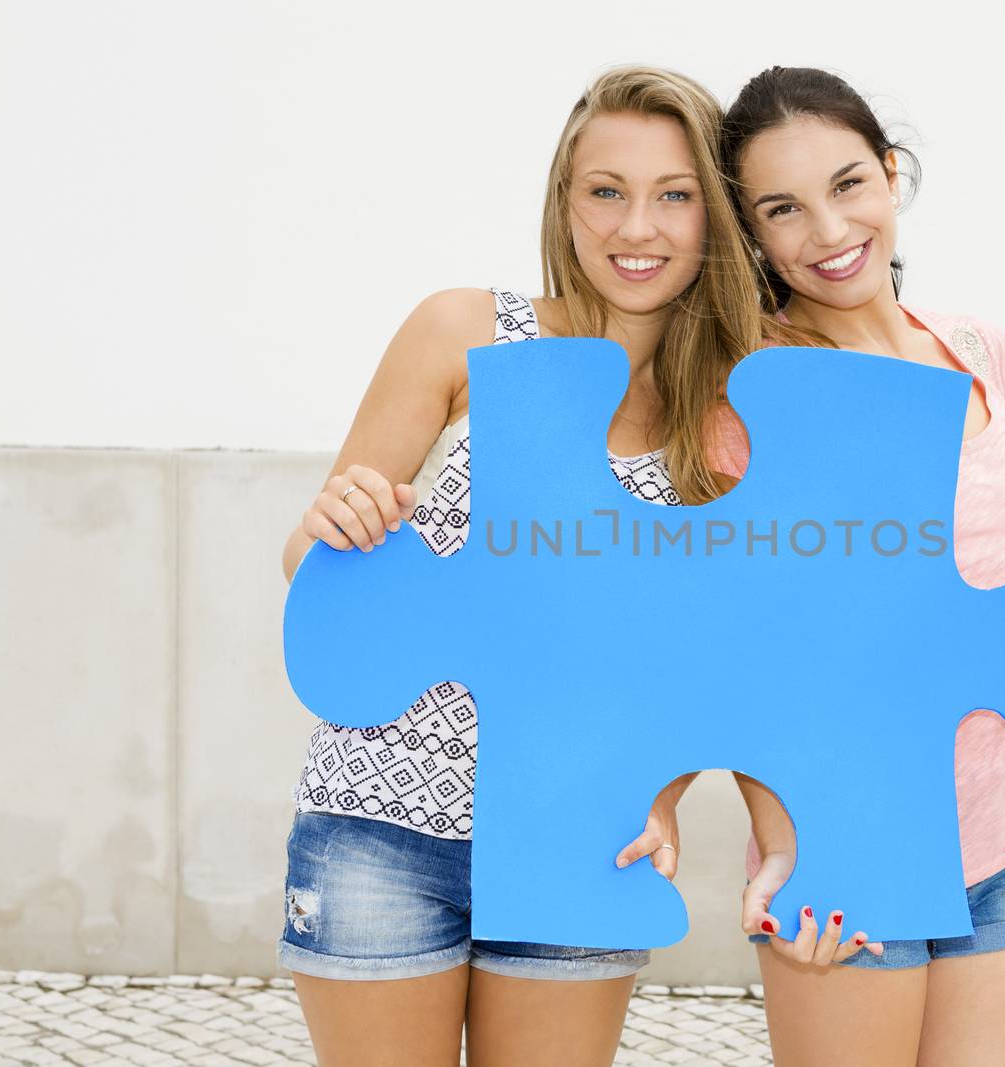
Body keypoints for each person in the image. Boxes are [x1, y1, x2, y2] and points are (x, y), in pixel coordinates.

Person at [274, 65, 773, 1067]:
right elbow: (309, 558)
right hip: (382, 818)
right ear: (565, 202)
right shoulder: (464, 332)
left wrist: (665, 790)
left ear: (713, 216)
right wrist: (340, 523)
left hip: (579, 830)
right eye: (606, 190)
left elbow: (716, 655)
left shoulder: (723, 417)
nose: (638, 226)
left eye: (674, 194)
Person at [709, 66, 1005, 1067]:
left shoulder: (977, 351)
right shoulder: (753, 402)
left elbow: (990, 574)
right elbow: (742, 655)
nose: (829, 231)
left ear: (890, 174)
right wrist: (786, 843)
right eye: (781, 208)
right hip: (847, 837)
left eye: (847, 184)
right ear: (750, 230)